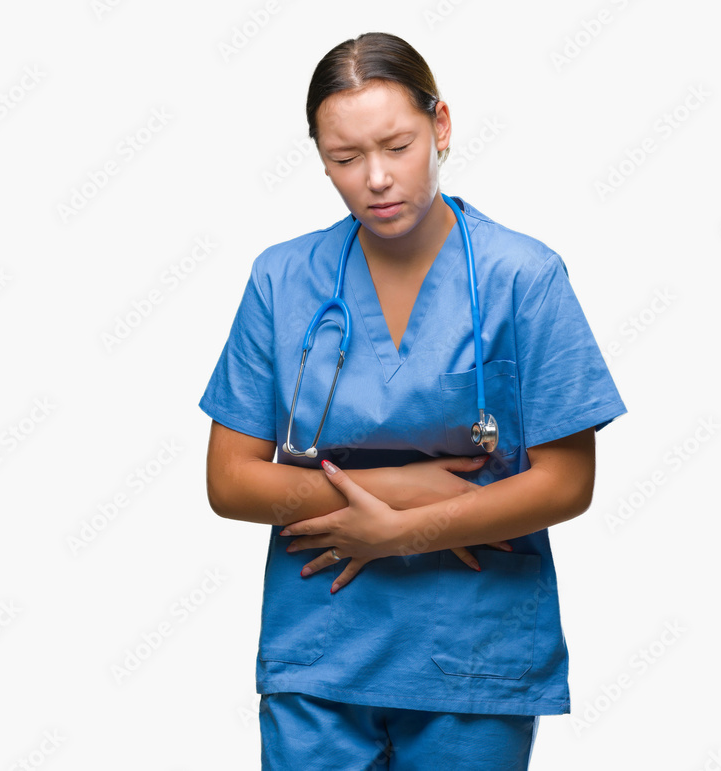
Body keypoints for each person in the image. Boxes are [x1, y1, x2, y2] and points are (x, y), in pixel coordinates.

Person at [199, 31, 627, 770]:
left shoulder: (524, 276)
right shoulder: (281, 278)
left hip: (471, 658)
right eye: (343, 158)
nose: (375, 178)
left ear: (442, 127)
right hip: (321, 650)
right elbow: (231, 479)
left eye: (397, 146)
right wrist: (392, 487)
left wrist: (400, 532)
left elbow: (568, 481)